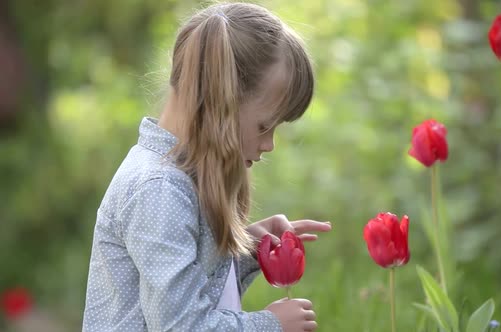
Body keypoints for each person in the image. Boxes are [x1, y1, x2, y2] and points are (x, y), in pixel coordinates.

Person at [81, 2, 331, 331]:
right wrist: (269, 325)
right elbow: (182, 325)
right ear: (219, 104)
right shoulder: (158, 189)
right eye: (263, 126)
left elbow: (193, 293)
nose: (269, 144)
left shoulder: (176, 179)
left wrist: (252, 251)